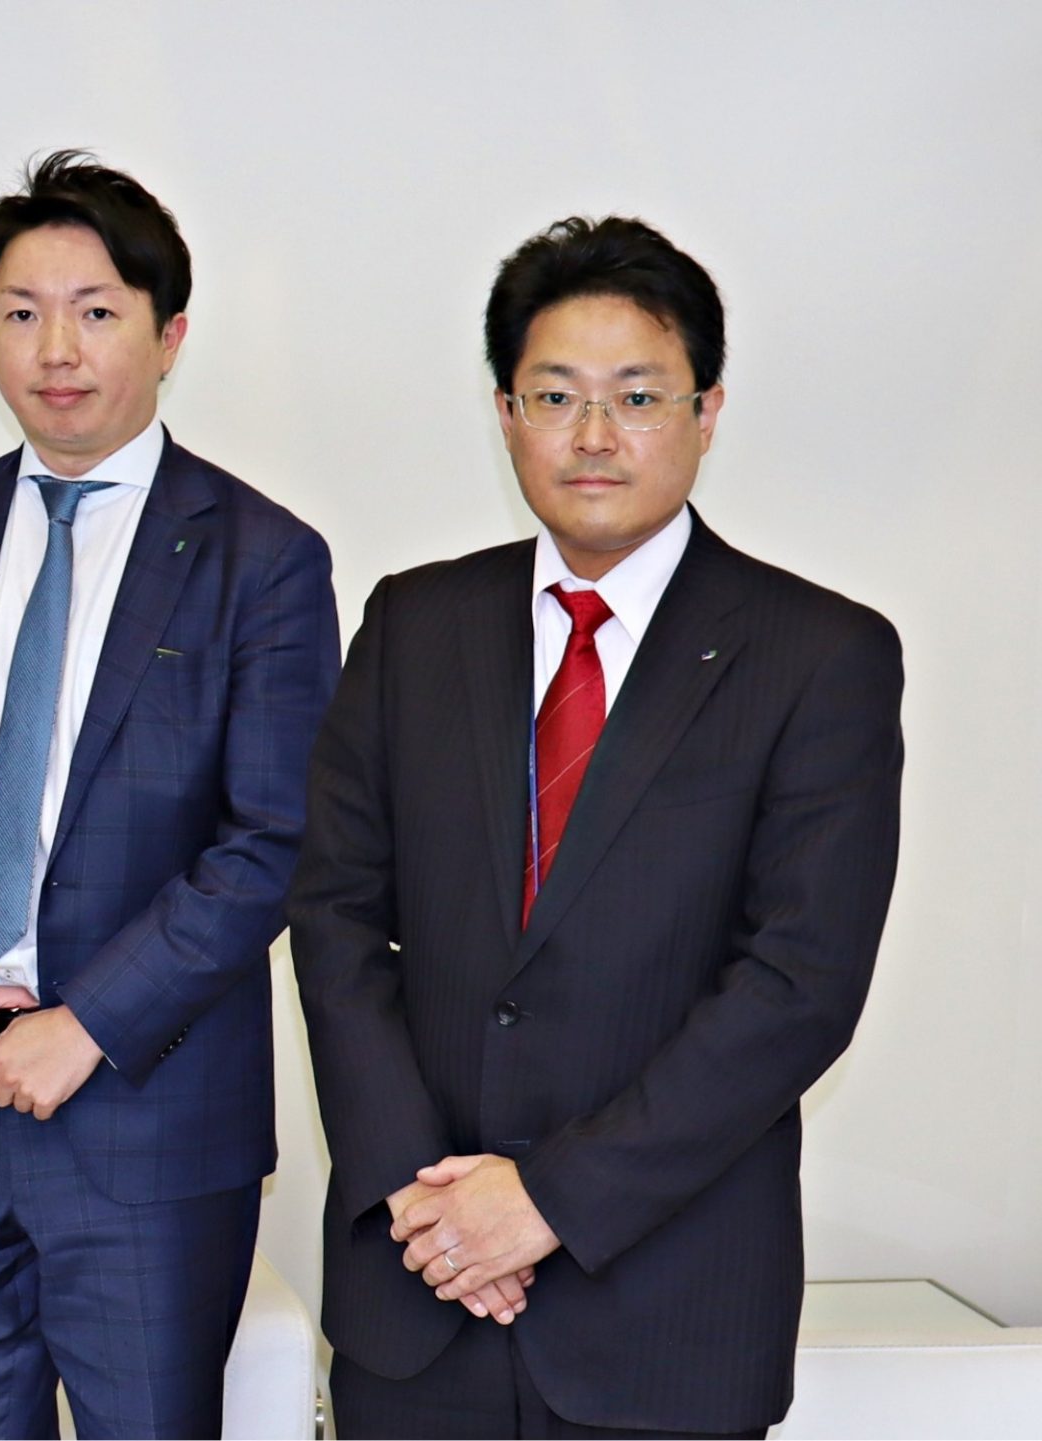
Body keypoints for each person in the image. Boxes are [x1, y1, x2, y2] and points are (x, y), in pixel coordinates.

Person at [290, 215, 903, 1439]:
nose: (592, 434)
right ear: (504, 412)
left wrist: (544, 1201)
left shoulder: (818, 654)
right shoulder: (414, 625)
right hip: (418, 1300)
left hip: (664, 1311)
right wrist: (429, 1206)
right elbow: (333, 912)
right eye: (555, 395)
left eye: (636, 396)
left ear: (705, 410)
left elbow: (797, 984)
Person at [0, 151, 338, 1439]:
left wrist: (87, 1024)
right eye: (21, 312)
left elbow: (270, 841)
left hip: (148, 1123)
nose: (57, 349)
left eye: (96, 311)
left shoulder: (262, 558)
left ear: (169, 334)